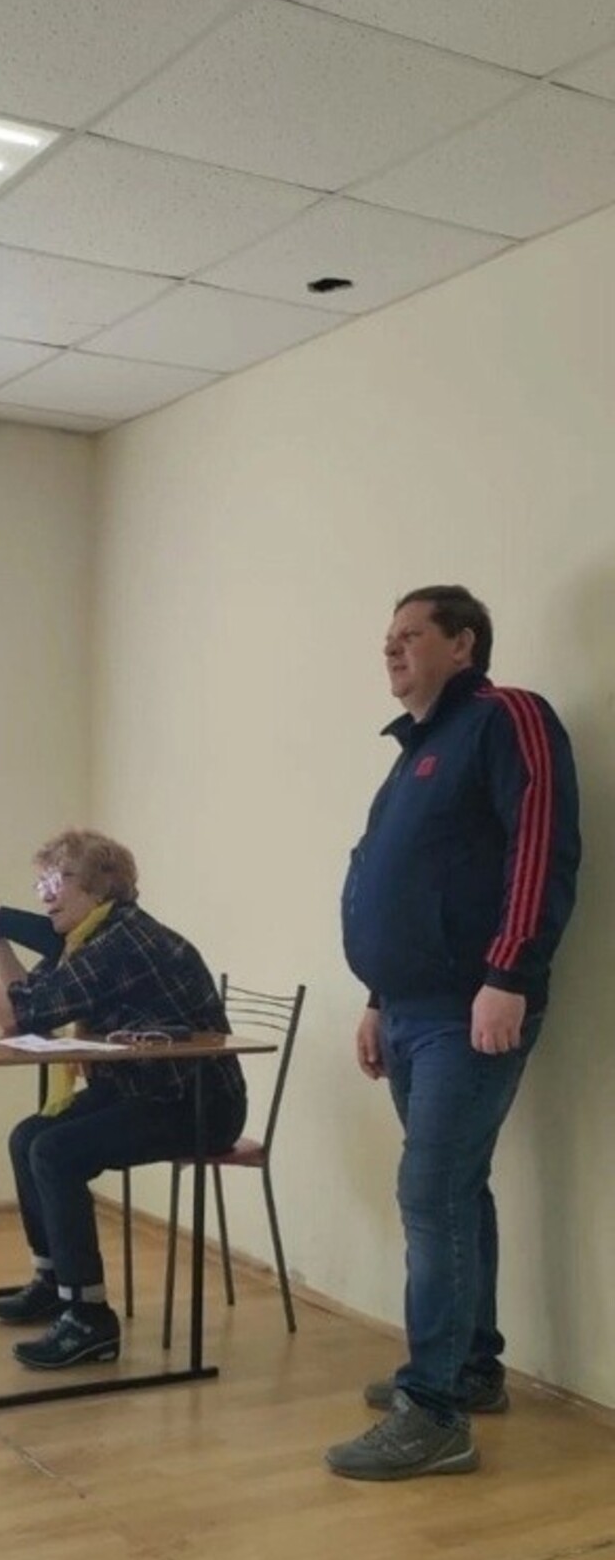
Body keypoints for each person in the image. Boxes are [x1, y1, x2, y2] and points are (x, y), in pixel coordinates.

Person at [326, 586, 580, 1482]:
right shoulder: (414, 755)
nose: (391, 650)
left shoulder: (508, 717)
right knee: (455, 1192)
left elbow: (541, 845)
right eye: (387, 637)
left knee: (430, 1193)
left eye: (411, 635)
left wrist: (509, 973)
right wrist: (376, 997)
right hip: (409, 1010)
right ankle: (470, 1369)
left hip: (468, 1006)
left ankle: (432, 1414)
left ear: (463, 644)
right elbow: (393, 881)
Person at [0, 830, 246, 1371]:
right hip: (142, 1088)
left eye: (61, 879)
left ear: (101, 886)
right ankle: (54, 1283)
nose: (48, 893)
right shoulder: (91, 938)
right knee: (29, 1137)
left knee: (55, 1152)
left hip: (193, 1103)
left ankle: (89, 1318)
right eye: (43, 882)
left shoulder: (119, 944)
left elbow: (17, 1015)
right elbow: (29, 1004)